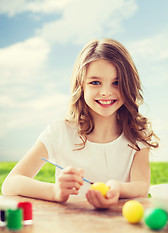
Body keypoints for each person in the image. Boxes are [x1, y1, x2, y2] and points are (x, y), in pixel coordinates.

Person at [2, 38, 159, 209]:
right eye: (95, 82)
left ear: (129, 86)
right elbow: (10, 184)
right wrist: (55, 192)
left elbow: (141, 187)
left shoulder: (137, 134)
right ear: (81, 85)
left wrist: (117, 188)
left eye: (117, 82)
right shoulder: (59, 132)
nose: (106, 92)